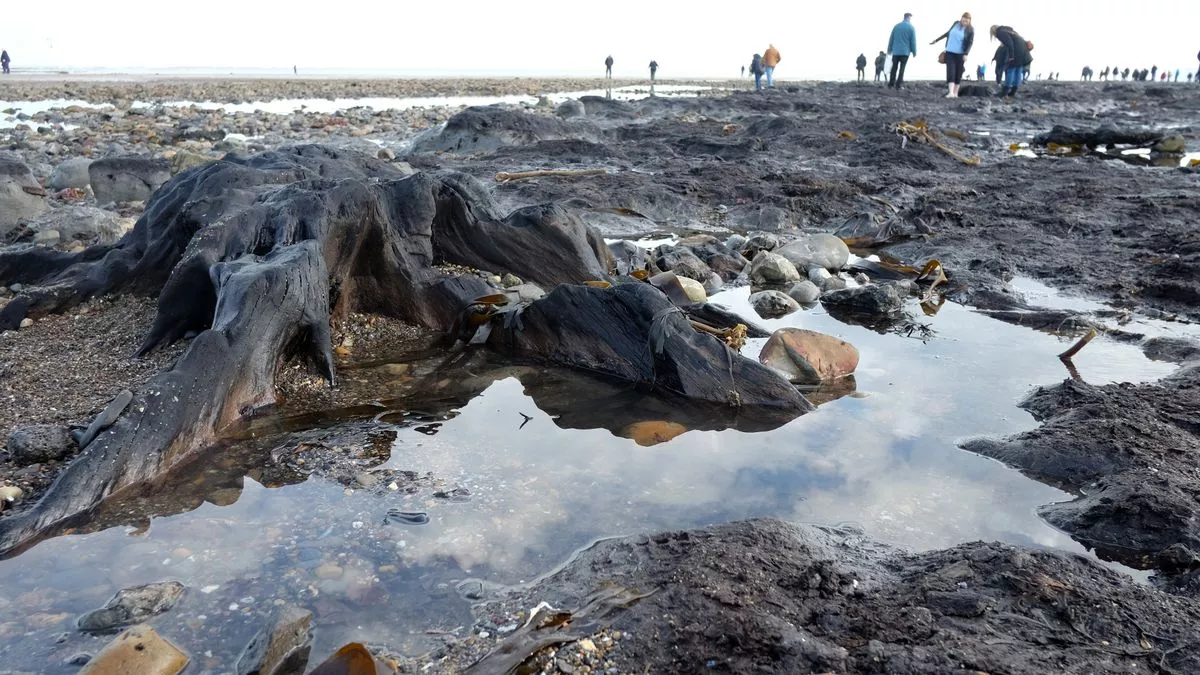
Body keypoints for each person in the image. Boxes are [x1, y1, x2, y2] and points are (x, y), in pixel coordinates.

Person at [930, 12, 974, 97]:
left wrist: (966, 54)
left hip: (960, 54)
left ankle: (956, 93)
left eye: (966, 21)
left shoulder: (970, 29)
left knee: (958, 73)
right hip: (949, 52)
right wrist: (936, 40)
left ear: (969, 21)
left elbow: (970, 42)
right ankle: (950, 92)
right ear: (961, 18)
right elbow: (947, 33)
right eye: (963, 20)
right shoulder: (955, 23)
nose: (964, 22)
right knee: (950, 71)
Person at [990, 25, 1032, 97]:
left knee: (1011, 70)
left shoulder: (1001, 32)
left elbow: (1009, 43)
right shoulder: (1010, 30)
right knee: (1018, 70)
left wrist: (1011, 56)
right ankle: (1013, 91)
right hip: (1024, 51)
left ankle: (1004, 92)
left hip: (1016, 52)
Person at [887, 13, 917, 89]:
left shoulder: (896, 26)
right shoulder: (911, 28)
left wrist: (889, 49)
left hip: (896, 51)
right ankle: (898, 85)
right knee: (902, 68)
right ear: (909, 18)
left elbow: (891, 38)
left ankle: (891, 84)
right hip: (905, 52)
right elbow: (913, 41)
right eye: (910, 18)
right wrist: (914, 51)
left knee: (894, 67)